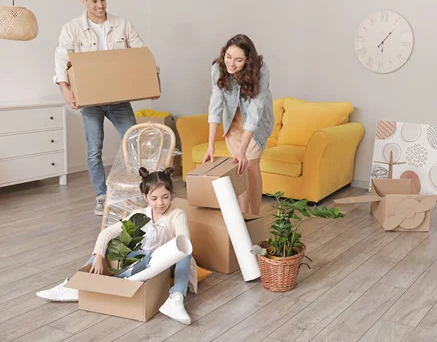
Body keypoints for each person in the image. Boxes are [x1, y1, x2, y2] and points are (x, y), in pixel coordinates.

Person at [36, 167, 197, 325]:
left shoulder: (176, 215)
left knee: (185, 253)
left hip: (166, 263)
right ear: (145, 196)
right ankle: (73, 285)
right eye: (154, 198)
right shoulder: (139, 215)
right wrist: (98, 257)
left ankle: (176, 299)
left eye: (165, 197)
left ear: (171, 195)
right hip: (142, 260)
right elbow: (106, 234)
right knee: (108, 248)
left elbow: (184, 241)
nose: (160, 203)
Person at [53, 0, 156, 215]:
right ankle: (101, 195)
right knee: (93, 150)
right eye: (94, 1)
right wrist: (66, 90)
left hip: (119, 99)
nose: (100, 5)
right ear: (84, 1)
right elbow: (61, 59)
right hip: (90, 101)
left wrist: (148, 78)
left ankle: (140, 190)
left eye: (103, 0)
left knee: (134, 144)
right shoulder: (71, 28)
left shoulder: (122, 24)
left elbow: (140, 54)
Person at [204, 34, 274, 216]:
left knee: (251, 165)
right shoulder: (217, 68)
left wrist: (242, 149)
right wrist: (210, 144)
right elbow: (216, 105)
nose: (231, 64)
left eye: (238, 60)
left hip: (255, 124)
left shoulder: (260, 71)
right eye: (228, 57)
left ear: (248, 61)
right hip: (233, 121)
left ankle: (255, 216)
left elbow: (255, 111)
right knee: (240, 168)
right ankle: (244, 217)